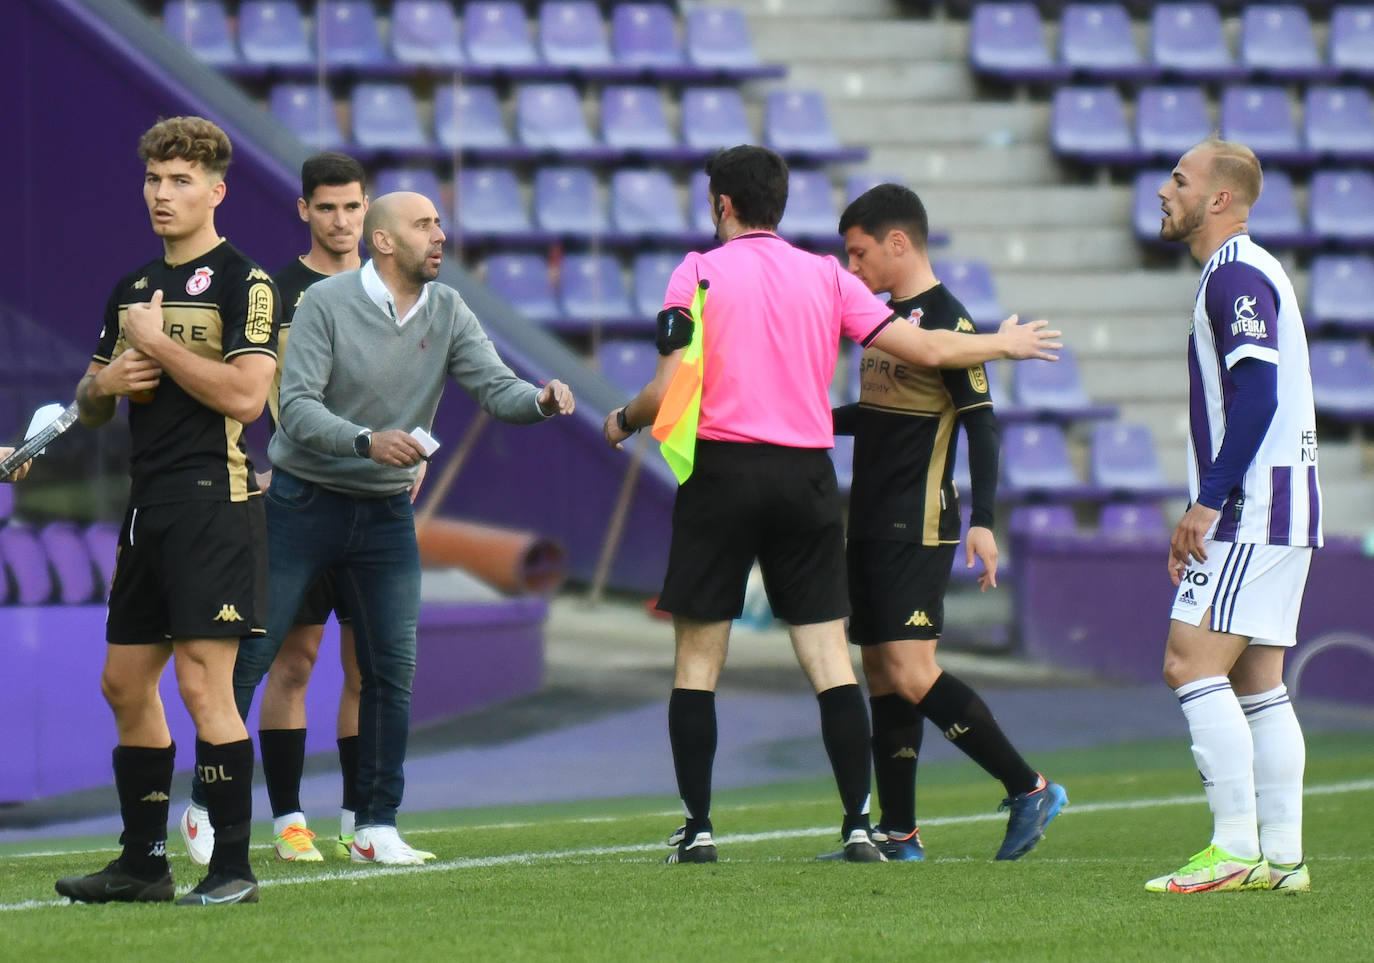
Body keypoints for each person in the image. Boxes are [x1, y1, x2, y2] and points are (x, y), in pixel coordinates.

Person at [601, 146, 1061, 864]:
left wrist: (622, 420)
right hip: (809, 482)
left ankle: (698, 829)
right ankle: (861, 824)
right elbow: (927, 350)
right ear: (780, 204)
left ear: (722, 203)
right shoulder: (826, 276)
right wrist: (1002, 342)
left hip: (723, 473)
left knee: (698, 659)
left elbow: (664, 393)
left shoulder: (695, 269)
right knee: (832, 659)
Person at [231, 190, 576, 866]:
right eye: (425, 225)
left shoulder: (448, 308)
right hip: (302, 503)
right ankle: (211, 806)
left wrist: (538, 401)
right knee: (255, 654)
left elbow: (495, 387)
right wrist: (366, 441)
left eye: (440, 223)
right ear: (384, 241)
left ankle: (376, 823)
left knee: (392, 667)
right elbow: (295, 409)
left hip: (385, 513)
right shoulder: (326, 305)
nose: (440, 235)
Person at [54, 116, 278, 906]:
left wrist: (161, 344)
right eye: (154, 178)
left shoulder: (243, 282)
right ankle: (144, 863)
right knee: (123, 683)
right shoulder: (131, 289)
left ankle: (232, 871)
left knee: (201, 685)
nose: (162, 193)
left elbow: (249, 397)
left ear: (216, 191)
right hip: (148, 505)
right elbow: (89, 401)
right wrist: (101, 388)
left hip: (214, 498)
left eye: (181, 180)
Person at [818, 184, 1067, 864]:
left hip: (917, 519)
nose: (853, 266)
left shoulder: (951, 324)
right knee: (880, 673)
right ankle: (900, 833)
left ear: (898, 243)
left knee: (911, 667)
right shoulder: (885, 321)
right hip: (868, 519)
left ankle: (1029, 785)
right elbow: (874, 412)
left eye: (860, 251)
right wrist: (805, 419)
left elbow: (982, 427)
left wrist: (984, 519)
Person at [179, 151, 378, 865]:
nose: (341, 219)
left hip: (377, 504)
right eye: (326, 206)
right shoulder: (275, 289)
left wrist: (418, 451)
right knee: (290, 659)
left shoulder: (391, 290)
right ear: (304, 210)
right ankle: (287, 816)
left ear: (368, 209)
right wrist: (257, 467)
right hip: (297, 499)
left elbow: (417, 376)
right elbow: (250, 390)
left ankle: (360, 819)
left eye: (352, 206)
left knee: (367, 670)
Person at [1146, 138, 1320, 894]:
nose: (1164, 191)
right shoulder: (1246, 271)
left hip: (1252, 507)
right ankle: (1281, 858)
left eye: (1179, 180)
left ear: (1219, 199)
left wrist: (1207, 500)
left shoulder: (1236, 275)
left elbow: (1257, 398)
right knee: (1259, 683)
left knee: (1188, 661)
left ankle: (1233, 847)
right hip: (1288, 504)